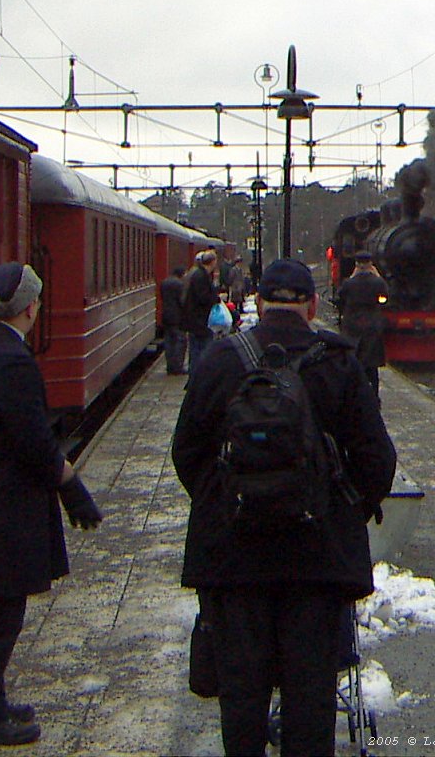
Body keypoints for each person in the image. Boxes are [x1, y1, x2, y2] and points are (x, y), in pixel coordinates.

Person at [172, 258, 396, 757]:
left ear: (259, 303)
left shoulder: (220, 361)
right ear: (312, 305)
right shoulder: (339, 362)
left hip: (234, 562)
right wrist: (338, 510)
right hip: (316, 562)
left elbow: (186, 453)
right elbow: (377, 460)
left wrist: (230, 506)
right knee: (311, 694)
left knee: (241, 693)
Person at [0, 261, 103, 747]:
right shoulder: (12, 362)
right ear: (31, 306)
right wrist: (73, 490)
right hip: (4, 509)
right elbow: (35, 442)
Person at [337, 250, 389, 398]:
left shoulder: (349, 283)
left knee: (353, 364)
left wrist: (352, 276)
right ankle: (374, 396)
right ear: (371, 264)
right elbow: (386, 295)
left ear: (357, 264)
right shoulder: (378, 282)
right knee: (372, 368)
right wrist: (378, 276)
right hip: (371, 327)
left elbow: (340, 296)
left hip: (352, 327)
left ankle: (354, 395)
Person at [181, 250, 220, 377]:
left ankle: (196, 376)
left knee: (196, 351)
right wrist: (216, 298)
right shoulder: (201, 276)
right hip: (200, 321)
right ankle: (199, 377)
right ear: (212, 262)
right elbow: (203, 298)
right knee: (202, 351)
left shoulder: (197, 274)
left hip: (196, 320)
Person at [160, 266, 187, 375]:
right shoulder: (179, 285)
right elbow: (182, 301)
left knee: (169, 342)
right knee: (180, 341)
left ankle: (169, 366)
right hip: (177, 317)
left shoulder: (164, 283)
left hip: (166, 316)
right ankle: (178, 367)